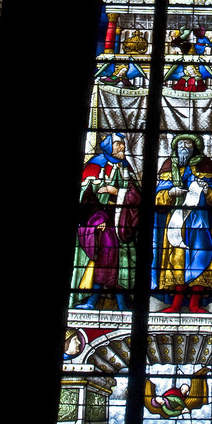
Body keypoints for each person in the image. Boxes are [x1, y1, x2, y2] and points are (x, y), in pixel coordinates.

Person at [72, 133, 141, 310]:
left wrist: (117, 192)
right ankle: (92, 301)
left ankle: (122, 304)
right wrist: (99, 219)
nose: (122, 148)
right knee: (105, 262)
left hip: (121, 225)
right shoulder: (94, 167)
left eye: (123, 145)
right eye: (118, 144)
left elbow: (137, 197)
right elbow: (85, 199)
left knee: (121, 264)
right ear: (109, 146)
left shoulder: (125, 168)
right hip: (100, 226)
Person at [153, 133, 212, 313]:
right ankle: (175, 304)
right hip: (177, 222)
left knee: (201, 258)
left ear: (194, 146)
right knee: (177, 260)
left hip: (200, 222)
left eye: (187, 143)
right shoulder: (167, 168)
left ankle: (195, 304)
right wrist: (170, 194)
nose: (183, 146)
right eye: (180, 143)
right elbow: (158, 198)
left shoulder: (206, 166)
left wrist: (207, 190)